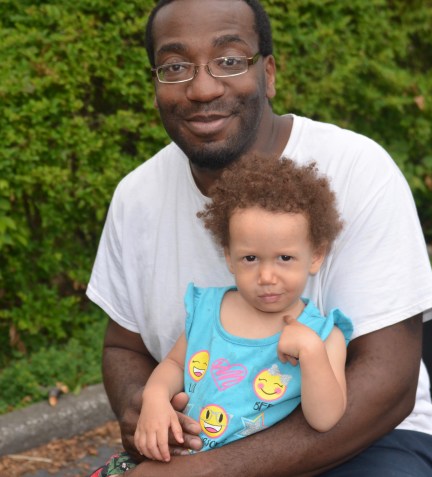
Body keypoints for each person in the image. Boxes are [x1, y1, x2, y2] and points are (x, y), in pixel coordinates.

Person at [87, 0, 432, 475]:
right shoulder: (136, 197)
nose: (202, 88)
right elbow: (124, 348)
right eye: (175, 66)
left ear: (269, 74)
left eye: (229, 60)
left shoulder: (358, 170)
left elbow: (390, 384)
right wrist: (143, 403)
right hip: (205, 444)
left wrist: (210, 472)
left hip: (370, 443)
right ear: (155, 86)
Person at [134, 157, 353, 462]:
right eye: (250, 258)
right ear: (229, 256)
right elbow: (173, 364)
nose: (267, 277)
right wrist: (155, 397)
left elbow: (325, 419)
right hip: (179, 459)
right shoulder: (207, 309)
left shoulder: (323, 335)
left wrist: (312, 352)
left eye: (285, 258)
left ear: (315, 256)